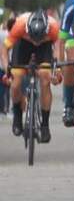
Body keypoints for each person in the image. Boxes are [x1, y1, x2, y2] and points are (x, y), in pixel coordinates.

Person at [1, 11, 60, 142]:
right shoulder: (19, 25)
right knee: (15, 83)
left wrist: (56, 71)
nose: (36, 42)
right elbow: (4, 48)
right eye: (33, 38)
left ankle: (45, 125)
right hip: (23, 45)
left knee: (45, 77)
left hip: (45, 48)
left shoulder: (54, 27)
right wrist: (7, 70)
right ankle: (17, 115)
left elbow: (57, 50)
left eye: (39, 38)